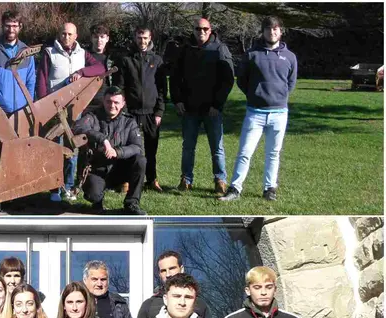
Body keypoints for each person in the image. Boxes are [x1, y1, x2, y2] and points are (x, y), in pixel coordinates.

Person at [219, 16, 298, 203]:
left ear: (281, 31)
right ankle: (235, 188)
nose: (272, 32)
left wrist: (278, 97)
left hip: (279, 113)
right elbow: (242, 80)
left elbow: (291, 83)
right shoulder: (252, 54)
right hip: (255, 113)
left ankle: (269, 189)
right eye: (268, 29)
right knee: (245, 152)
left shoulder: (290, 57)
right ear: (263, 31)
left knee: (273, 153)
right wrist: (255, 95)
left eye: (276, 29)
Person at [37, 22, 106, 203]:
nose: (66, 37)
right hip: (53, 110)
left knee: (71, 149)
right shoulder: (49, 53)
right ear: (59, 35)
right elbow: (42, 80)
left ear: (76, 36)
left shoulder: (82, 54)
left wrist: (82, 72)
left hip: (75, 110)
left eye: (69, 34)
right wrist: (44, 107)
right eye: (63, 33)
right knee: (54, 149)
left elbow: (100, 68)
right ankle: (54, 189)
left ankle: (68, 186)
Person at [0, 10, 37, 214]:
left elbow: (31, 81)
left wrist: (28, 106)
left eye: (15, 25)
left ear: (20, 27)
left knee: (18, 154)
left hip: (20, 112)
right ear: (2, 27)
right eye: (8, 25)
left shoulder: (27, 52)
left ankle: (15, 197)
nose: (11, 29)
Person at [170, 17, 234, 195]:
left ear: (210, 30)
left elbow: (228, 80)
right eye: (198, 29)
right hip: (189, 108)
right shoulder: (185, 50)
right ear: (193, 30)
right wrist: (177, 100)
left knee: (217, 148)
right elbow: (175, 77)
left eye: (205, 29)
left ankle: (220, 180)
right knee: (188, 147)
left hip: (212, 110)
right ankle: (186, 179)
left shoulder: (220, 49)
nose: (202, 32)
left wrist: (217, 104)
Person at [73, 86, 147, 215]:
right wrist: (103, 139)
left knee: (140, 160)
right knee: (93, 196)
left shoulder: (129, 122)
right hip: (97, 168)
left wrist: (118, 152)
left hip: (119, 168)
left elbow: (137, 147)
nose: (112, 105)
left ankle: (131, 204)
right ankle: (97, 201)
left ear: (123, 103)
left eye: (116, 102)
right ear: (103, 101)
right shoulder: (92, 116)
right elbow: (77, 127)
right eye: (108, 101)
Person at [114, 26, 166, 193]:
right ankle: (126, 180)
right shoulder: (125, 60)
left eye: (145, 38)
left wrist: (159, 111)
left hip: (151, 113)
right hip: (131, 112)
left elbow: (162, 89)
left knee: (151, 149)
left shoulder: (157, 60)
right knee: (128, 147)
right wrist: (123, 109)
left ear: (150, 38)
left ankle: (152, 179)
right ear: (135, 38)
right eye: (139, 38)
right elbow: (119, 87)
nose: (142, 41)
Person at [136, 251, 211, 318]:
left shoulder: (199, 304)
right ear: (159, 274)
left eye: (172, 268)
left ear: (181, 269)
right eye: (163, 271)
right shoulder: (149, 305)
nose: (168, 274)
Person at [86, 24, 115, 112]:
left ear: (107, 39)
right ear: (91, 38)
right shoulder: (84, 56)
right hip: (87, 103)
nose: (99, 40)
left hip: (107, 103)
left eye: (102, 37)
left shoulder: (112, 58)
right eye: (96, 37)